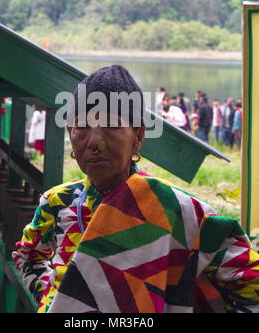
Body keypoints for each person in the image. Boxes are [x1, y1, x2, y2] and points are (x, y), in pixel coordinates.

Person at [13, 65, 259, 314]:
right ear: (70, 133)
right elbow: (28, 256)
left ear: (138, 136)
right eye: (83, 127)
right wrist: (51, 300)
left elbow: (251, 285)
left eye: (111, 126)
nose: (95, 141)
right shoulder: (58, 202)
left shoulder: (179, 211)